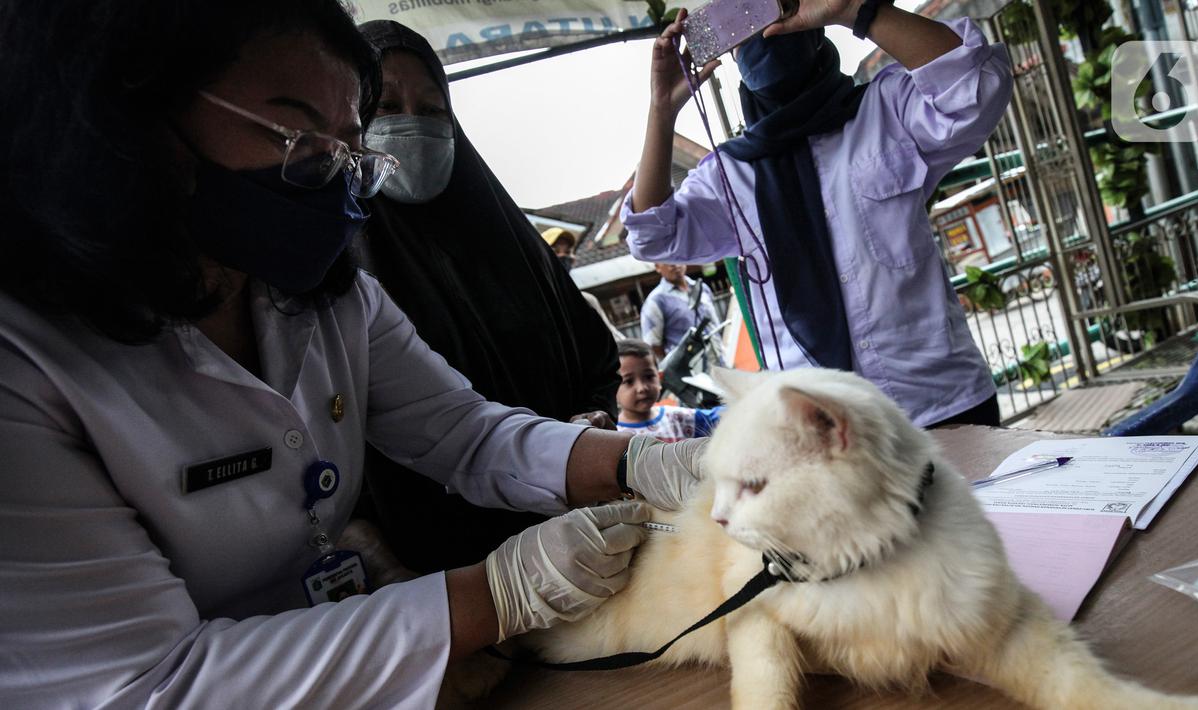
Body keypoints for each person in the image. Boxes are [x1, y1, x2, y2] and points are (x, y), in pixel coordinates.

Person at [0, 2, 706, 705]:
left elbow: (462, 433)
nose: (330, 175)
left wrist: (641, 464)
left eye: (348, 148)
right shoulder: (24, 362)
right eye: (298, 134)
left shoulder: (324, 299)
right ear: (130, 116)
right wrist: (497, 594)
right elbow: (149, 684)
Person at [624, 0, 1013, 428]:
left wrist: (856, 10)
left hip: (941, 400)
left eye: (780, 12)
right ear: (734, 50)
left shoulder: (885, 113)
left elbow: (974, 82)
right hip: (824, 432)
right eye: (750, 26)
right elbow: (653, 236)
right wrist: (661, 111)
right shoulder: (729, 175)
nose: (769, 33)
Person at [353, 21, 622, 573]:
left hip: (578, 542)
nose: (412, 124)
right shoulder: (343, 279)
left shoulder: (508, 243)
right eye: (385, 108)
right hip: (436, 580)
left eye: (431, 110)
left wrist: (592, 425)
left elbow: (593, 356)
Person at [616, 339, 723, 442]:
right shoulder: (614, 434)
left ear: (660, 377)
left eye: (649, 377)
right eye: (628, 381)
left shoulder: (678, 418)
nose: (642, 388)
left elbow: (718, 418)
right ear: (612, 388)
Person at [542, 225, 625, 339]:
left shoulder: (586, 301)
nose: (563, 256)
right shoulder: (538, 306)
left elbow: (614, 339)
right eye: (555, 251)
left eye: (568, 251)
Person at [640, 262, 722, 362]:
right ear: (657, 266)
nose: (674, 264)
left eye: (677, 257)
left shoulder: (702, 288)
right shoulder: (656, 301)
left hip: (720, 361)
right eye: (667, 260)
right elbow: (653, 346)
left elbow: (715, 324)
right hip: (690, 372)